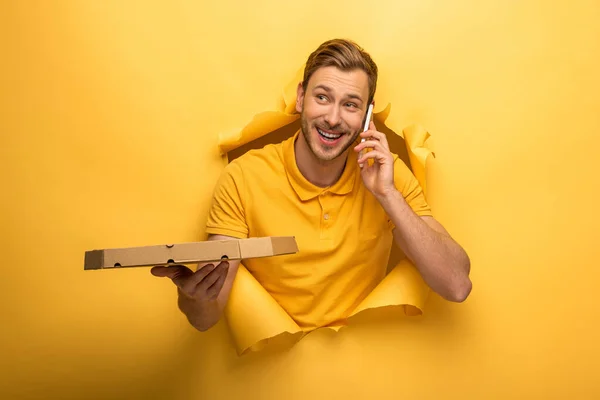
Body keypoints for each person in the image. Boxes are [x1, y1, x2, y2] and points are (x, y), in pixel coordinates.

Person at [151, 39, 472, 332]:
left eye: (350, 104)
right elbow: (206, 318)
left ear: (366, 115)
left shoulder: (388, 173)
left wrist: (387, 194)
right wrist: (195, 298)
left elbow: (457, 285)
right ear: (301, 97)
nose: (333, 118)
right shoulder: (243, 176)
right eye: (322, 97)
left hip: (365, 361)